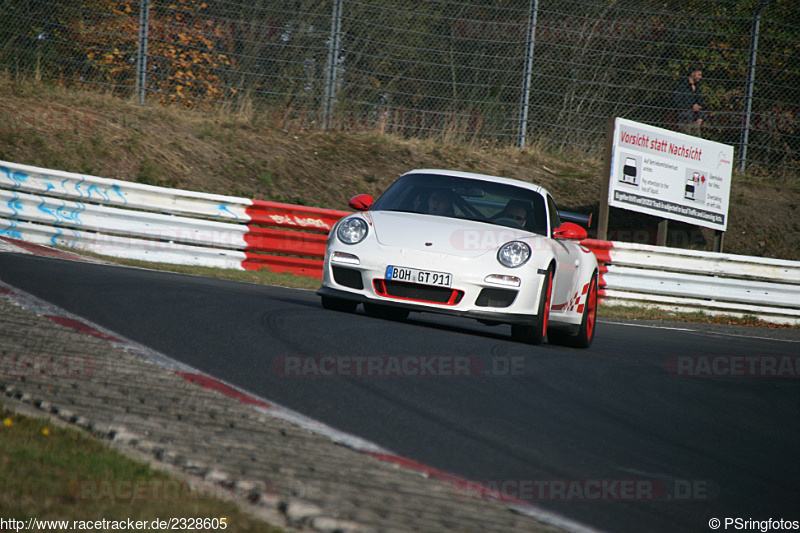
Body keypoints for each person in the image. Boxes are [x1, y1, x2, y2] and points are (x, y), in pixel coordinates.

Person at [671, 66, 704, 136]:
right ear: (692, 74)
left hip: (694, 119)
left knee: (697, 137)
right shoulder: (682, 86)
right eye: (699, 75)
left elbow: (700, 104)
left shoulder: (697, 88)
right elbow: (676, 102)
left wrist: (700, 117)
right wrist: (691, 107)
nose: (700, 77)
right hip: (684, 118)